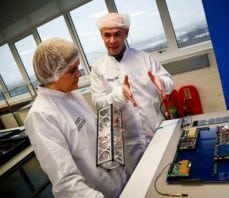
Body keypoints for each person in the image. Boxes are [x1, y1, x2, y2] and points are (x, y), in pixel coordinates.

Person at [24, 37, 126, 198]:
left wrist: (108, 129)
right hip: (97, 192)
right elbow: (66, 184)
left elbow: (88, 134)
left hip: (118, 179)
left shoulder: (72, 95)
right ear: (53, 73)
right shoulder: (41, 116)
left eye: (78, 68)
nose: (79, 74)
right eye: (72, 71)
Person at [90, 13, 174, 175]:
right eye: (107, 35)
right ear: (101, 35)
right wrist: (120, 94)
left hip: (155, 130)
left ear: (126, 34)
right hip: (127, 141)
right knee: (138, 179)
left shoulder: (143, 58)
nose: (112, 40)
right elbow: (99, 103)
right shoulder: (98, 69)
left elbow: (167, 81)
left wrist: (162, 83)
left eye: (117, 34)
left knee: (167, 171)